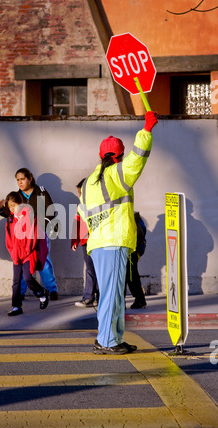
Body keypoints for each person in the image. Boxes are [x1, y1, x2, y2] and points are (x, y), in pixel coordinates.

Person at [78, 111, 158, 355]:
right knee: (112, 296)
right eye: (122, 156)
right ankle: (106, 341)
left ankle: (114, 337)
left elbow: (83, 213)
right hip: (114, 242)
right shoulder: (116, 173)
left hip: (100, 243)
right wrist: (146, 131)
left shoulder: (91, 180)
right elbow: (137, 159)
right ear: (118, 156)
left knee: (113, 295)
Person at [0, 168, 58, 300]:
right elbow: (10, 213)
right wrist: (1, 209)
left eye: (22, 179)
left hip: (40, 234)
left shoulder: (40, 191)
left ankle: (52, 290)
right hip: (23, 237)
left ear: (30, 178)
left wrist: (43, 227)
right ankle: (21, 292)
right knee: (23, 261)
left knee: (44, 261)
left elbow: (50, 211)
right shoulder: (18, 196)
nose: (20, 182)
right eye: (18, 180)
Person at [4, 191, 49, 316]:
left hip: (28, 253)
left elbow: (33, 235)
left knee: (28, 278)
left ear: (21, 203)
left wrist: (27, 250)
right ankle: (16, 306)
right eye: (10, 207)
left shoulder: (29, 216)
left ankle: (42, 293)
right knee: (16, 281)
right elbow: (9, 238)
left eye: (14, 205)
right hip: (16, 255)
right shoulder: (10, 220)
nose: (13, 208)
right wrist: (13, 252)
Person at [71, 179, 98, 307]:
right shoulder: (79, 206)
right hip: (84, 241)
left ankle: (95, 296)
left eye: (82, 193)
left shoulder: (96, 204)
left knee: (97, 269)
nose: (80, 196)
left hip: (96, 240)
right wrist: (75, 240)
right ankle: (89, 296)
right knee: (90, 269)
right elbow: (76, 223)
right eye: (78, 193)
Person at [125, 211, 147, 309]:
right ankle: (140, 299)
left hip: (126, 249)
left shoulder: (122, 215)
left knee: (126, 276)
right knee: (132, 275)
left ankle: (138, 299)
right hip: (133, 249)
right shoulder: (134, 215)